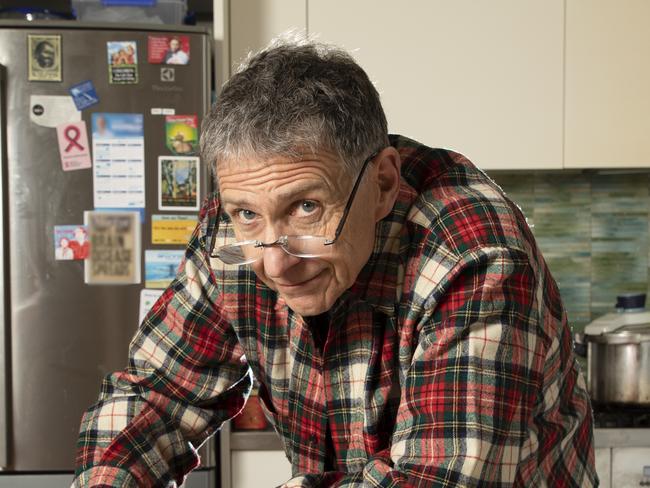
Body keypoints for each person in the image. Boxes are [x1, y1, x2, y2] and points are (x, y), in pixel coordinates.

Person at [72, 38, 598, 487]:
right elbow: (157, 395)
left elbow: (435, 481)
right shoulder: (236, 239)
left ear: (384, 183)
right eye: (246, 213)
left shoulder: (474, 257)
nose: (275, 265)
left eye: (306, 208)